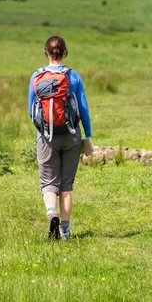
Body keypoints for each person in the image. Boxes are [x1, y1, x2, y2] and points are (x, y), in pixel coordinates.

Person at [28, 36, 93, 240]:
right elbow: (83, 109)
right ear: (65, 52)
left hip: (47, 136)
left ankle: (51, 212)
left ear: (45, 52)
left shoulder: (36, 77)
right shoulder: (73, 77)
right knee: (66, 185)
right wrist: (88, 138)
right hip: (71, 135)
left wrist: (43, 129)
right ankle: (64, 230)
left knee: (48, 182)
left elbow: (31, 111)